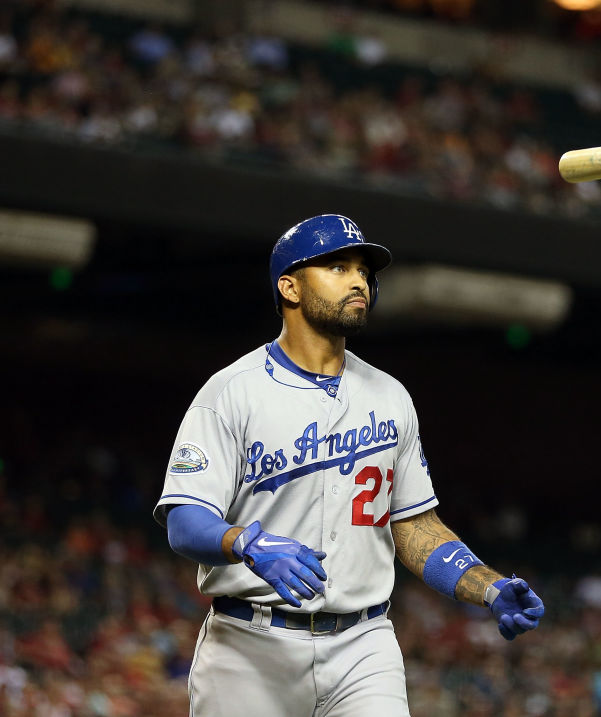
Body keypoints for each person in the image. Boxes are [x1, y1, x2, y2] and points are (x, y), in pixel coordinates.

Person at [153, 214, 545, 716]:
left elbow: (414, 525)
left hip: (364, 645)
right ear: (289, 287)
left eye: (364, 271)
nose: (359, 280)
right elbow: (185, 521)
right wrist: (244, 542)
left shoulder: (390, 396)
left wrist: (485, 585)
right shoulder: (232, 392)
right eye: (338, 267)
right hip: (249, 646)